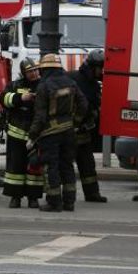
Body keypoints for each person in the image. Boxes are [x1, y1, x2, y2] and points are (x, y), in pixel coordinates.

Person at [28, 54, 88, 212]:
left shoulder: (44, 86)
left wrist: (32, 135)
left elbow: (40, 116)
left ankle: (55, 202)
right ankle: (69, 202)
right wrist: (75, 122)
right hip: (69, 132)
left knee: (51, 167)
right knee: (67, 166)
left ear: (45, 69)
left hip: (50, 133)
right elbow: (83, 104)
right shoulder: (71, 82)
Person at [0, 58, 43, 208]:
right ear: (24, 73)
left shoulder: (42, 85)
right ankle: (15, 197)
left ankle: (33, 198)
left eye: (36, 70)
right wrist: (20, 98)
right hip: (16, 133)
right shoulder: (15, 85)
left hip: (36, 135)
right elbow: (3, 98)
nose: (34, 73)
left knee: (34, 169)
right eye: (30, 72)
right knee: (15, 168)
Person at [69, 50, 108, 203]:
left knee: (88, 166)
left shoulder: (92, 83)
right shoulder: (73, 79)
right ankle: (66, 195)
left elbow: (94, 106)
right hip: (70, 131)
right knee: (66, 166)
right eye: (100, 68)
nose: (101, 71)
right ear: (92, 67)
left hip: (83, 132)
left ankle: (92, 194)